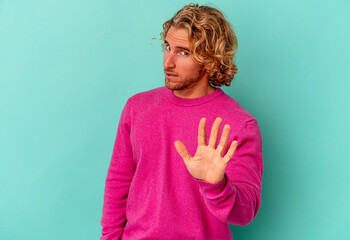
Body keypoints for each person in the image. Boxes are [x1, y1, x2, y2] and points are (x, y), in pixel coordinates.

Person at [100, 3, 263, 240]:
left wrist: (217, 185)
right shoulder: (137, 108)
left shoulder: (239, 124)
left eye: (183, 52)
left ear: (210, 59)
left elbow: (246, 213)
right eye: (167, 47)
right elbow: (118, 184)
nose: (168, 62)